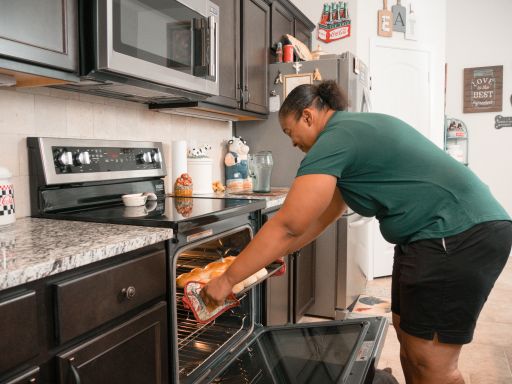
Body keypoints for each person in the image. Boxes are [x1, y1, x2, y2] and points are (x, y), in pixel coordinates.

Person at [201, 80, 512, 384]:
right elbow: (324, 215)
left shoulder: (335, 139)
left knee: (431, 360)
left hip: (456, 234)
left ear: (308, 116)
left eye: (290, 133)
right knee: (408, 337)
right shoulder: (350, 132)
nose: (294, 144)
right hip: (428, 237)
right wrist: (275, 255)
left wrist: (228, 279)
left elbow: (288, 225)